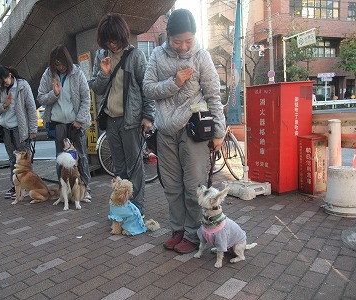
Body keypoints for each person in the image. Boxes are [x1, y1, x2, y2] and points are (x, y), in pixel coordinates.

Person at [143, 9, 226, 254]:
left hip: (193, 130)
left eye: (188, 41)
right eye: (178, 41)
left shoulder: (201, 56)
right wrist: (175, 83)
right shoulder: (157, 55)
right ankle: (177, 230)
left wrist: (218, 132)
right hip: (166, 131)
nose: (183, 46)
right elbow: (147, 89)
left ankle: (192, 234)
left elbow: (213, 95)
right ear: (168, 36)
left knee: (194, 187)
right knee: (171, 186)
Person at [89, 13, 155, 215]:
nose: (113, 44)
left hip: (132, 121)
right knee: (119, 169)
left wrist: (148, 116)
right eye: (108, 40)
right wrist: (104, 73)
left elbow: (147, 88)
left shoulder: (135, 56)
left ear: (122, 36)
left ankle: (137, 209)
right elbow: (96, 88)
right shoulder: (102, 56)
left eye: (115, 40)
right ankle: (122, 208)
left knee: (134, 168)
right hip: (111, 121)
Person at [37, 44, 92, 202]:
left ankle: (85, 189)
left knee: (80, 157)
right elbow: (40, 97)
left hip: (76, 124)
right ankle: (64, 191)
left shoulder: (77, 73)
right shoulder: (48, 75)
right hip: (58, 123)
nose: (59, 67)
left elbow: (85, 98)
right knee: (61, 159)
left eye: (61, 64)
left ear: (67, 62)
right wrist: (54, 94)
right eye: (56, 64)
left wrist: (79, 120)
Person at [0, 65, 38, 200]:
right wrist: (4, 105)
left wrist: (33, 130)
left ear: (10, 75)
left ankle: (28, 186)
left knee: (25, 160)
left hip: (21, 129)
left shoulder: (22, 85)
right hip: (5, 128)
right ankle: (14, 186)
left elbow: (31, 108)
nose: (2, 84)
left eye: (4, 81)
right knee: (12, 160)